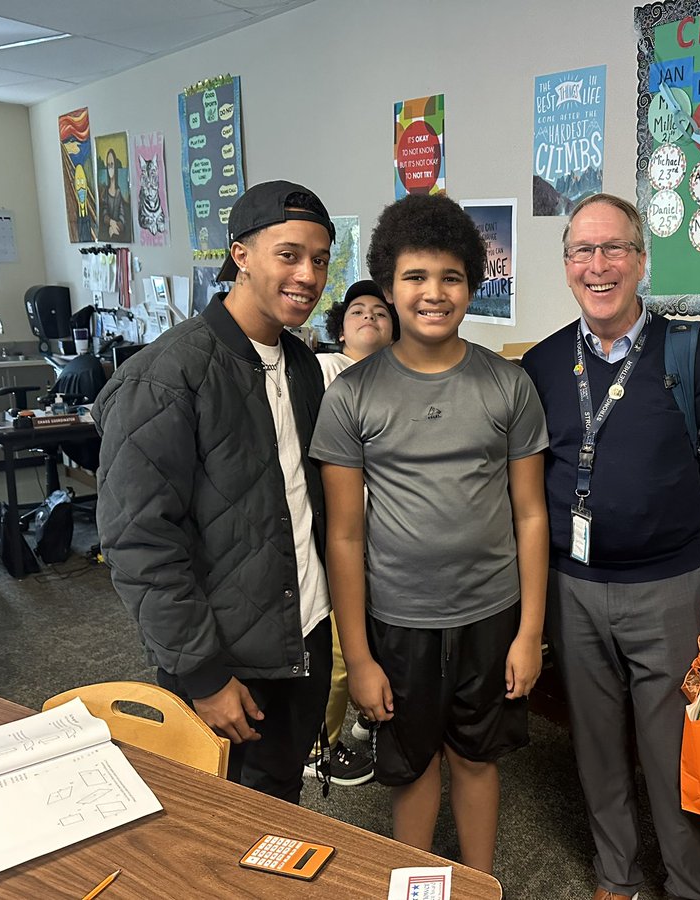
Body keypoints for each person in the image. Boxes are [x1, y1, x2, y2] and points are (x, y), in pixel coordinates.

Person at [520, 193, 700, 900]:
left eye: (614, 248)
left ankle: (688, 883)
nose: (599, 265)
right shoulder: (542, 363)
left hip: (671, 589)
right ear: (566, 265)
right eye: (582, 251)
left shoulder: (689, 354)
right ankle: (614, 875)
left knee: (673, 749)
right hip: (573, 587)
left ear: (641, 260)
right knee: (593, 742)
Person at [311, 194, 549, 874]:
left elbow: (531, 514)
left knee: (476, 759)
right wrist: (359, 657)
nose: (434, 293)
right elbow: (344, 537)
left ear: (472, 286)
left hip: (491, 615)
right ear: (388, 287)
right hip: (398, 620)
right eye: (415, 277)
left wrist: (530, 633)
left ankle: (477, 882)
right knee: (411, 766)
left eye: (451, 277)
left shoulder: (507, 385)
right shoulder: (352, 395)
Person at [93, 180, 337, 804]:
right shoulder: (165, 377)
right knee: (217, 817)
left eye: (319, 259)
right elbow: (139, 542)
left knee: (280, 804)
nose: (307, 276)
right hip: (225, 658)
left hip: (303, 633)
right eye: (288, 255)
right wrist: (202, 674)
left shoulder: (302, 366)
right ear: (241, 255)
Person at [302, 279, 399, 787]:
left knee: (381, 635)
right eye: (358, 311)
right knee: (341, 648)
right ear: (340, 329)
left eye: (380, 313)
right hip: (337, 536)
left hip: (387, 539)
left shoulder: (399, 377)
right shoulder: (323, 370)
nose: (369, 318)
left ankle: (366, 715)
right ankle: (320, 746)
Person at [98, 148, 132, 242]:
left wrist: (114, 227)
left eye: (112, 165)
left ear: (115, 166)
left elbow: (122, 217)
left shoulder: (118, 193)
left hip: (117, 232)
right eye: (108, 165)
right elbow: (104, 214)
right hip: (107, 235)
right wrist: (111, 222)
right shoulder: (105, 192)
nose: (110, 169)